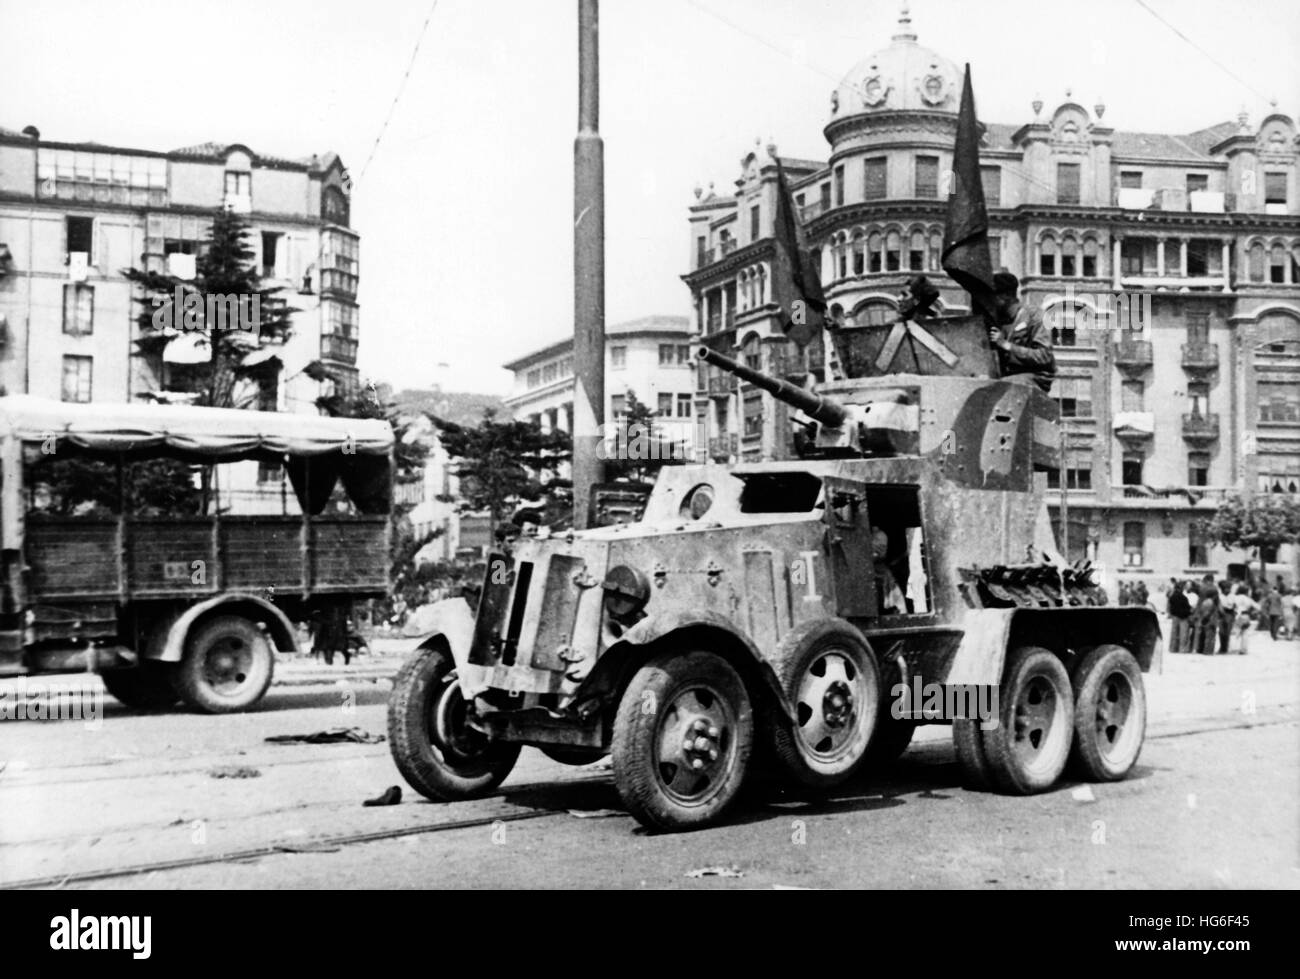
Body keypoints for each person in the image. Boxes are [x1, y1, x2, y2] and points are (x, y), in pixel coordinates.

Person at [986, 270, 1056, 393]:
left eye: (993, 296)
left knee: (997, 389)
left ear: (1005, 296)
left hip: (1035, 377)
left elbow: (1044, 356)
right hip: (1009, 376)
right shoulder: (999, 321)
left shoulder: (1034, 316)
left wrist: (1006, 345)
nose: (990, 301)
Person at [1189, 575, 1220, 656]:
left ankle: (1198, 648)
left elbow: (1199, 601)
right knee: (1210, 632)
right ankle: (1208, 650)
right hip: (1211, 612)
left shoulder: (1201, 588)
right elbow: (1217, 602)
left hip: (1200, 611)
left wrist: (1196, 612)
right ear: (1211, 580)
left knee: (1199, 632)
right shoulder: (1214, 589)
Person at [1229, 585, 1259, 654]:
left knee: (1234, 633)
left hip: (1237, 616)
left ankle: (1233, 649)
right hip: (1246, 616)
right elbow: (1258, 608)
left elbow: (1230, 606)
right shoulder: (1248, 599)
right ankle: (1243, 650)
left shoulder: (1235, 597)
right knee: (1245, 633)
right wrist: (1252, 612)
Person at [1166, 579, 1191, 654]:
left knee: (1174, 634)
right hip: (1183, 617)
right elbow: (1187, 607)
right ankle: (1182, 649)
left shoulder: (1172, 596)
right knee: (1183, 634)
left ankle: (1173, 649)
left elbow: (1170, 607)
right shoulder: (1184, 598)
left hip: (1175, 616)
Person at [1216, 580, 1234, 654]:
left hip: (1229, 614)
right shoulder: (1219, 596)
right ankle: (1222, 647)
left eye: (1228, 588)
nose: (1227, 589)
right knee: (1221, 632)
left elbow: (1233, 606)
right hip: (1220, 615)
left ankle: (1225, 647)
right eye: (1226, 588)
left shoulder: (1232, 596)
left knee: (1227, 632)